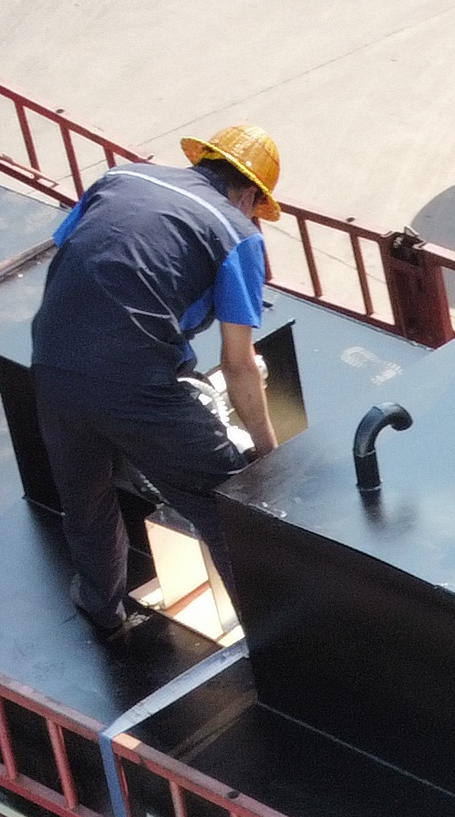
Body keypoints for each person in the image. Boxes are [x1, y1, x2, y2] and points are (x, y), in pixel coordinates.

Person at [31, 125, 289, 641]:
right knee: (227, 508)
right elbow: (238, 364)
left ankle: (102, 608)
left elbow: (75, 255)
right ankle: (275, 642)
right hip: (137, 384)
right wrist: (270, 454)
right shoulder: (238, 233)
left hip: (52, 360)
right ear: (250, 195)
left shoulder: (120, 178)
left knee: (86, 499)